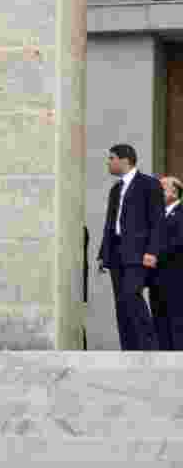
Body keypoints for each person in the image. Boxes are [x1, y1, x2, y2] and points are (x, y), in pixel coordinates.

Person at [97, 144, 163, 350]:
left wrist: (152, 251)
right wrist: (103, 254)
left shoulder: (149, 184)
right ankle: (128, 347)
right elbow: (110, 223)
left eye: (111, 158)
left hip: (138, 253)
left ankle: (149, 346)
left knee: (131, 295)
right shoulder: (116, 189)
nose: (108, 162)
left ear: (125, 160)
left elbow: (157, 221)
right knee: (121, 303)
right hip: (117, 253)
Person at [152, 176, 183, 351]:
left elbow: (178, 242)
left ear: (174, 191)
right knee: (159, 317)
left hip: (176, 275)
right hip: (157, 277)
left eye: (162, 188)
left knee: (176, 318)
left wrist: (155, 253)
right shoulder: (157, 214)